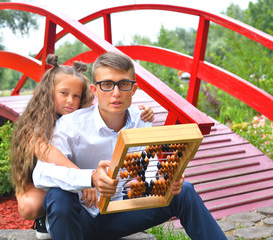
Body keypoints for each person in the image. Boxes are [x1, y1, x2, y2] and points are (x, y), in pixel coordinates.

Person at [33, 52, 227, 240]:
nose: (116, 93)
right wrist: (89, 178)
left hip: (120, 214)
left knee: (184, 191)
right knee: (59, 197)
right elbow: (40, 173)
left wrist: (165, 178)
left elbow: (144, 169)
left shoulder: (141, 119)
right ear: (94, 90)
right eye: (107, 85)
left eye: (123, 84)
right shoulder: (71, 124)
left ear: (133, 89)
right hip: (79, 221)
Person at [10, 54, 155, 239]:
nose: (71, 100)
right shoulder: (38, 123)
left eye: (76, 95)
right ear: (49, 93)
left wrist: (141, 113)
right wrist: (85, 180)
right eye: (64, 93)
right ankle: (43, 218)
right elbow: (50, 154)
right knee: (31, 206)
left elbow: (107, 107)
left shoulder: (80, 115)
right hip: (43, 177)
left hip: (75, 177)